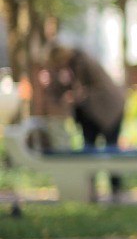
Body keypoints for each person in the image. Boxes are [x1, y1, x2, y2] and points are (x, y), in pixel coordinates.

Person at [40, 44, 127, 199]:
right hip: (90, 114)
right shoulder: (67, 68)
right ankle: (89, 191)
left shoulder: (83, 62)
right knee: (88, 149)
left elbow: (91, 88)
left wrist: (77, 95)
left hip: (108, 109)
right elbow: (58, 91)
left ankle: (116, 190)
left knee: (111, 149)